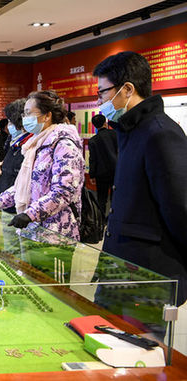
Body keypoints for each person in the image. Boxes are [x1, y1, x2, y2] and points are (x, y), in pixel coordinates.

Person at [93, 51, 187, 304]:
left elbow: (179, 208)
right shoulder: (130, 130)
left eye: (102, 92)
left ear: (127, 89)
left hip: (147, 276)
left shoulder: (160, 133)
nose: (99, 100)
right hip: (120, 269)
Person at [0, 90, 84, 241]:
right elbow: (27, 184)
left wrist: (30, 214)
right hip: (31, 229)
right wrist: (0, 201)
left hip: (56, 233)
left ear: (47, 116)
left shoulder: (64, 145)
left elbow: (63, 191)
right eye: (24, 114)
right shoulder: (36, 144)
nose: (25, 118)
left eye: (29, 113)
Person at [0, 98, 32, 213]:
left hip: (17, 206)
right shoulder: (15, 142)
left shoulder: (29, 145)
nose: (8, 126)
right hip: (5, 200)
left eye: (11, 122)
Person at [88, 114, 117, 215]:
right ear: (105, 123)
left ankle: (101, 220)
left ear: (95, 126)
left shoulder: (93, 140)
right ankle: (113, 218)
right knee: (115, 197)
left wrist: (92, 175)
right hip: (115, 171)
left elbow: (93, 159)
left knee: (101, 199)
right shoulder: (115, 134)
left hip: (101, 174)